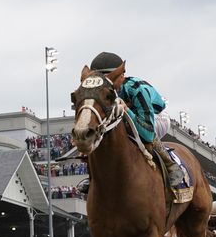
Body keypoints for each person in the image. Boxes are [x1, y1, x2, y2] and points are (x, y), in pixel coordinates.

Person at [77, 52, 183, 194]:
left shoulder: (137, 89)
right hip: (128, 115)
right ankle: (93, 176)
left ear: (121, 76)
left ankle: (170, 165)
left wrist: (126, 109)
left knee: (136, 131)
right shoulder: (99, 91)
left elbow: (147, 132)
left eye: (109, 77)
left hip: (156, 117)